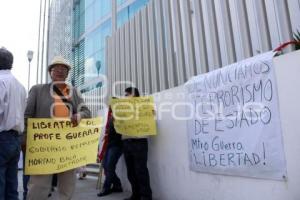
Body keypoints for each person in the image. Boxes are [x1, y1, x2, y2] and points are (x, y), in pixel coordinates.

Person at [24, 56, 91, 200]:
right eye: (56, 68)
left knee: (67, 186)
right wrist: (24, 141)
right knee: (38, 187)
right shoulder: (37, 90)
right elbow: (27, 117)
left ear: (67, 74)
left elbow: (87, 112)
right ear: (50, 72)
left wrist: (79, 116)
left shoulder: (74, 92)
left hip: (67, 147)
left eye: (64, 69)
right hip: (43, 148)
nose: (60, 71)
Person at [0, 47, 26, 200]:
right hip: (15, 139)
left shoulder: (1, 81)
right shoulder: (20, 86)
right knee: (12, 186)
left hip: (2, 137)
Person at [122, 87, 152, 200]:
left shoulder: (144, 107)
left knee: (141, 170)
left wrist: (150, 113)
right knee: (130, 171)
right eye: (125, 95)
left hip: (139, 142)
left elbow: (150, 121)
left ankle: (146, 196)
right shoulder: (122, 109)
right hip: (126, 142)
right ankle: (136, 194)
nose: (125, 97)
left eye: (127, 94)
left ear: (135, 96)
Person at [97, 105, 123, 197]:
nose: (110, 106)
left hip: (117, 145)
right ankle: (117, 185)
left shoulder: (121, 116)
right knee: (106, 166)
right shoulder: (110, 117)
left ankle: (106, 188)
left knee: (109, 166)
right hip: (109, 144)